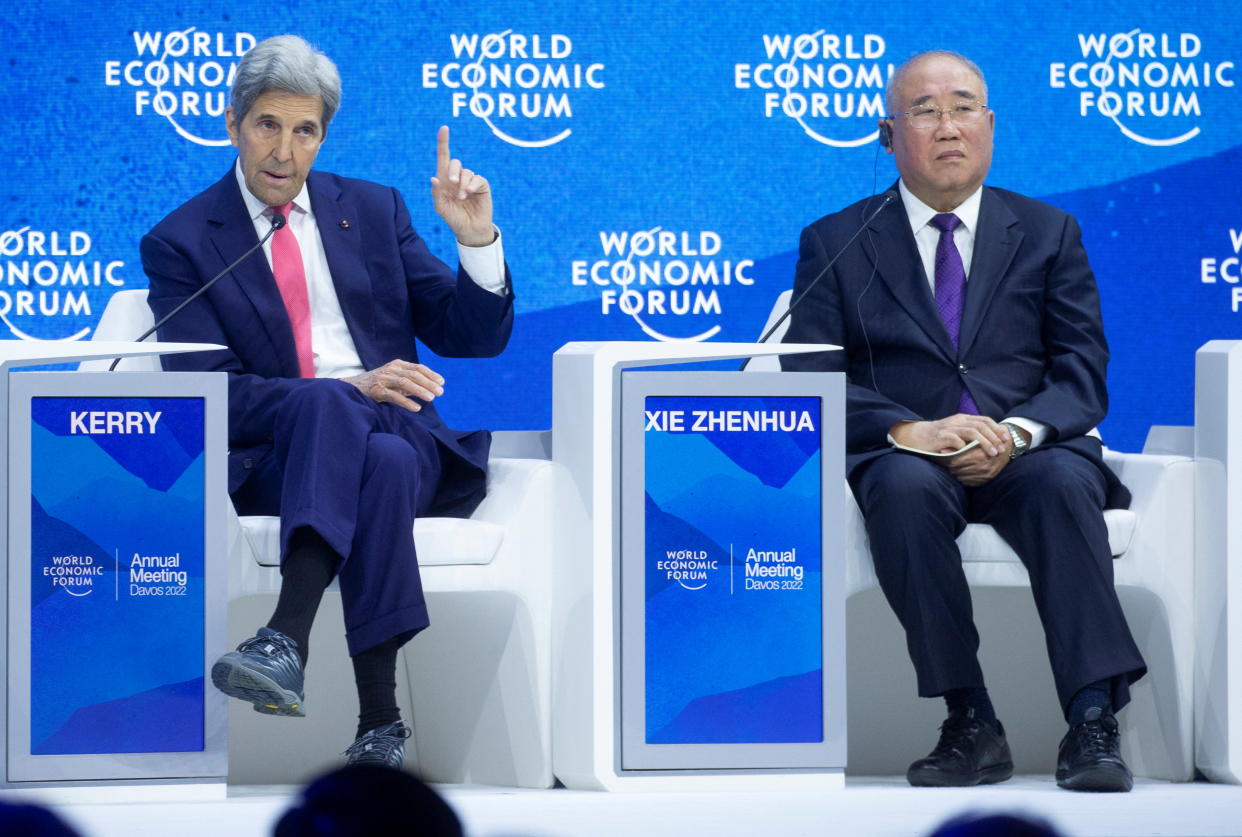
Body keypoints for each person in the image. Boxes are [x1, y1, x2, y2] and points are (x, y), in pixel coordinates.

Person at [141, 35, 513, 767]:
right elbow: (207, 391)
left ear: (324, 135)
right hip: (285, 457)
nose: (284, 151)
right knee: (352, 434)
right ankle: (381, 719)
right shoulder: (183, 242)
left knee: (375, 438)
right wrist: (344, 389)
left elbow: (471, 334)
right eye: (267, 126)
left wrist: (477, 244)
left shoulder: (372, 210)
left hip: (409, 436)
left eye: (304, 130)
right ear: (233, 124)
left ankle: (286, 638)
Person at [781, 50, 1144, 792]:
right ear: (887, 133)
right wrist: (911, 431)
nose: (948, 126)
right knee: (903, 491)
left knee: (1061, 486)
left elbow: (1082, 372)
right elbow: (811, 376)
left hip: (1029, 451)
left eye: (964, 106)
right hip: (909, 454)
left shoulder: (1048, 232)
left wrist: (1011, 433)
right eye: (925, 110)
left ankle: (1092, 717)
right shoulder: (837, 240)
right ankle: (969, 719)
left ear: (991, 124)